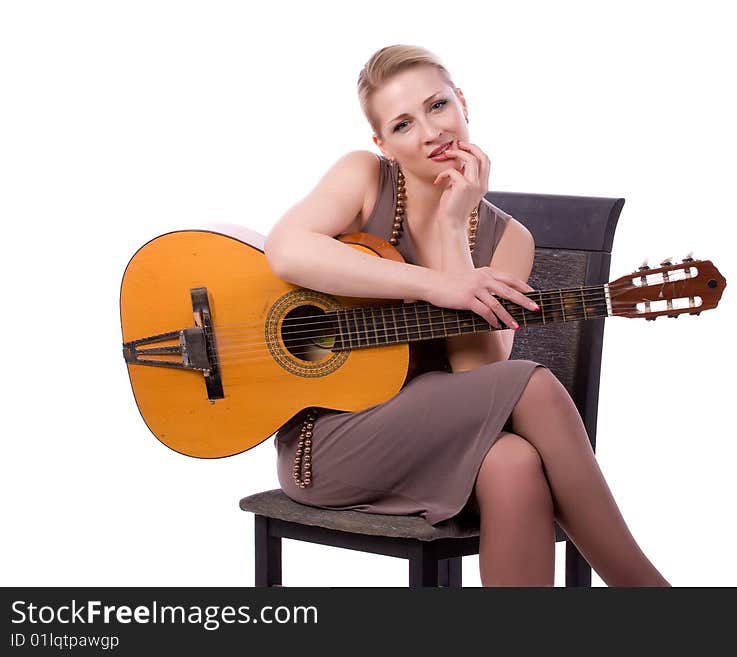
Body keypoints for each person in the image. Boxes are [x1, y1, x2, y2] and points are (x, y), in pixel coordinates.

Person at [264, 44, 670, 587]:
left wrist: (455, 230)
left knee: (515, 463)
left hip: (446, 440)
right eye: (403, 124)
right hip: (330, 443)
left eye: (437, 106)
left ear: (462, 103)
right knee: (533, 385)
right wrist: (441, 284)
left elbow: (481, 384)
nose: (430, 132)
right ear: (383, 143)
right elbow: (286, 250)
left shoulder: (510, 240)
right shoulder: (364, 178)